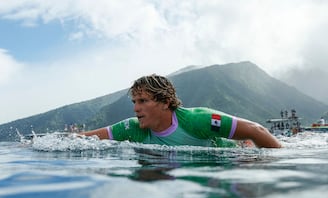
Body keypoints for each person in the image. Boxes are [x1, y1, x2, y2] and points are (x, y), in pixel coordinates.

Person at [81, 74, 281, 148]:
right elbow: (82, 139)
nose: (135, 108)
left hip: (229, 159)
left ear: (165, 102)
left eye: (143, 101)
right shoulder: (131, 128)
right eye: (134, 101)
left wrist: (278, 166)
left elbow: (258, 131)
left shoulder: (197, 120)